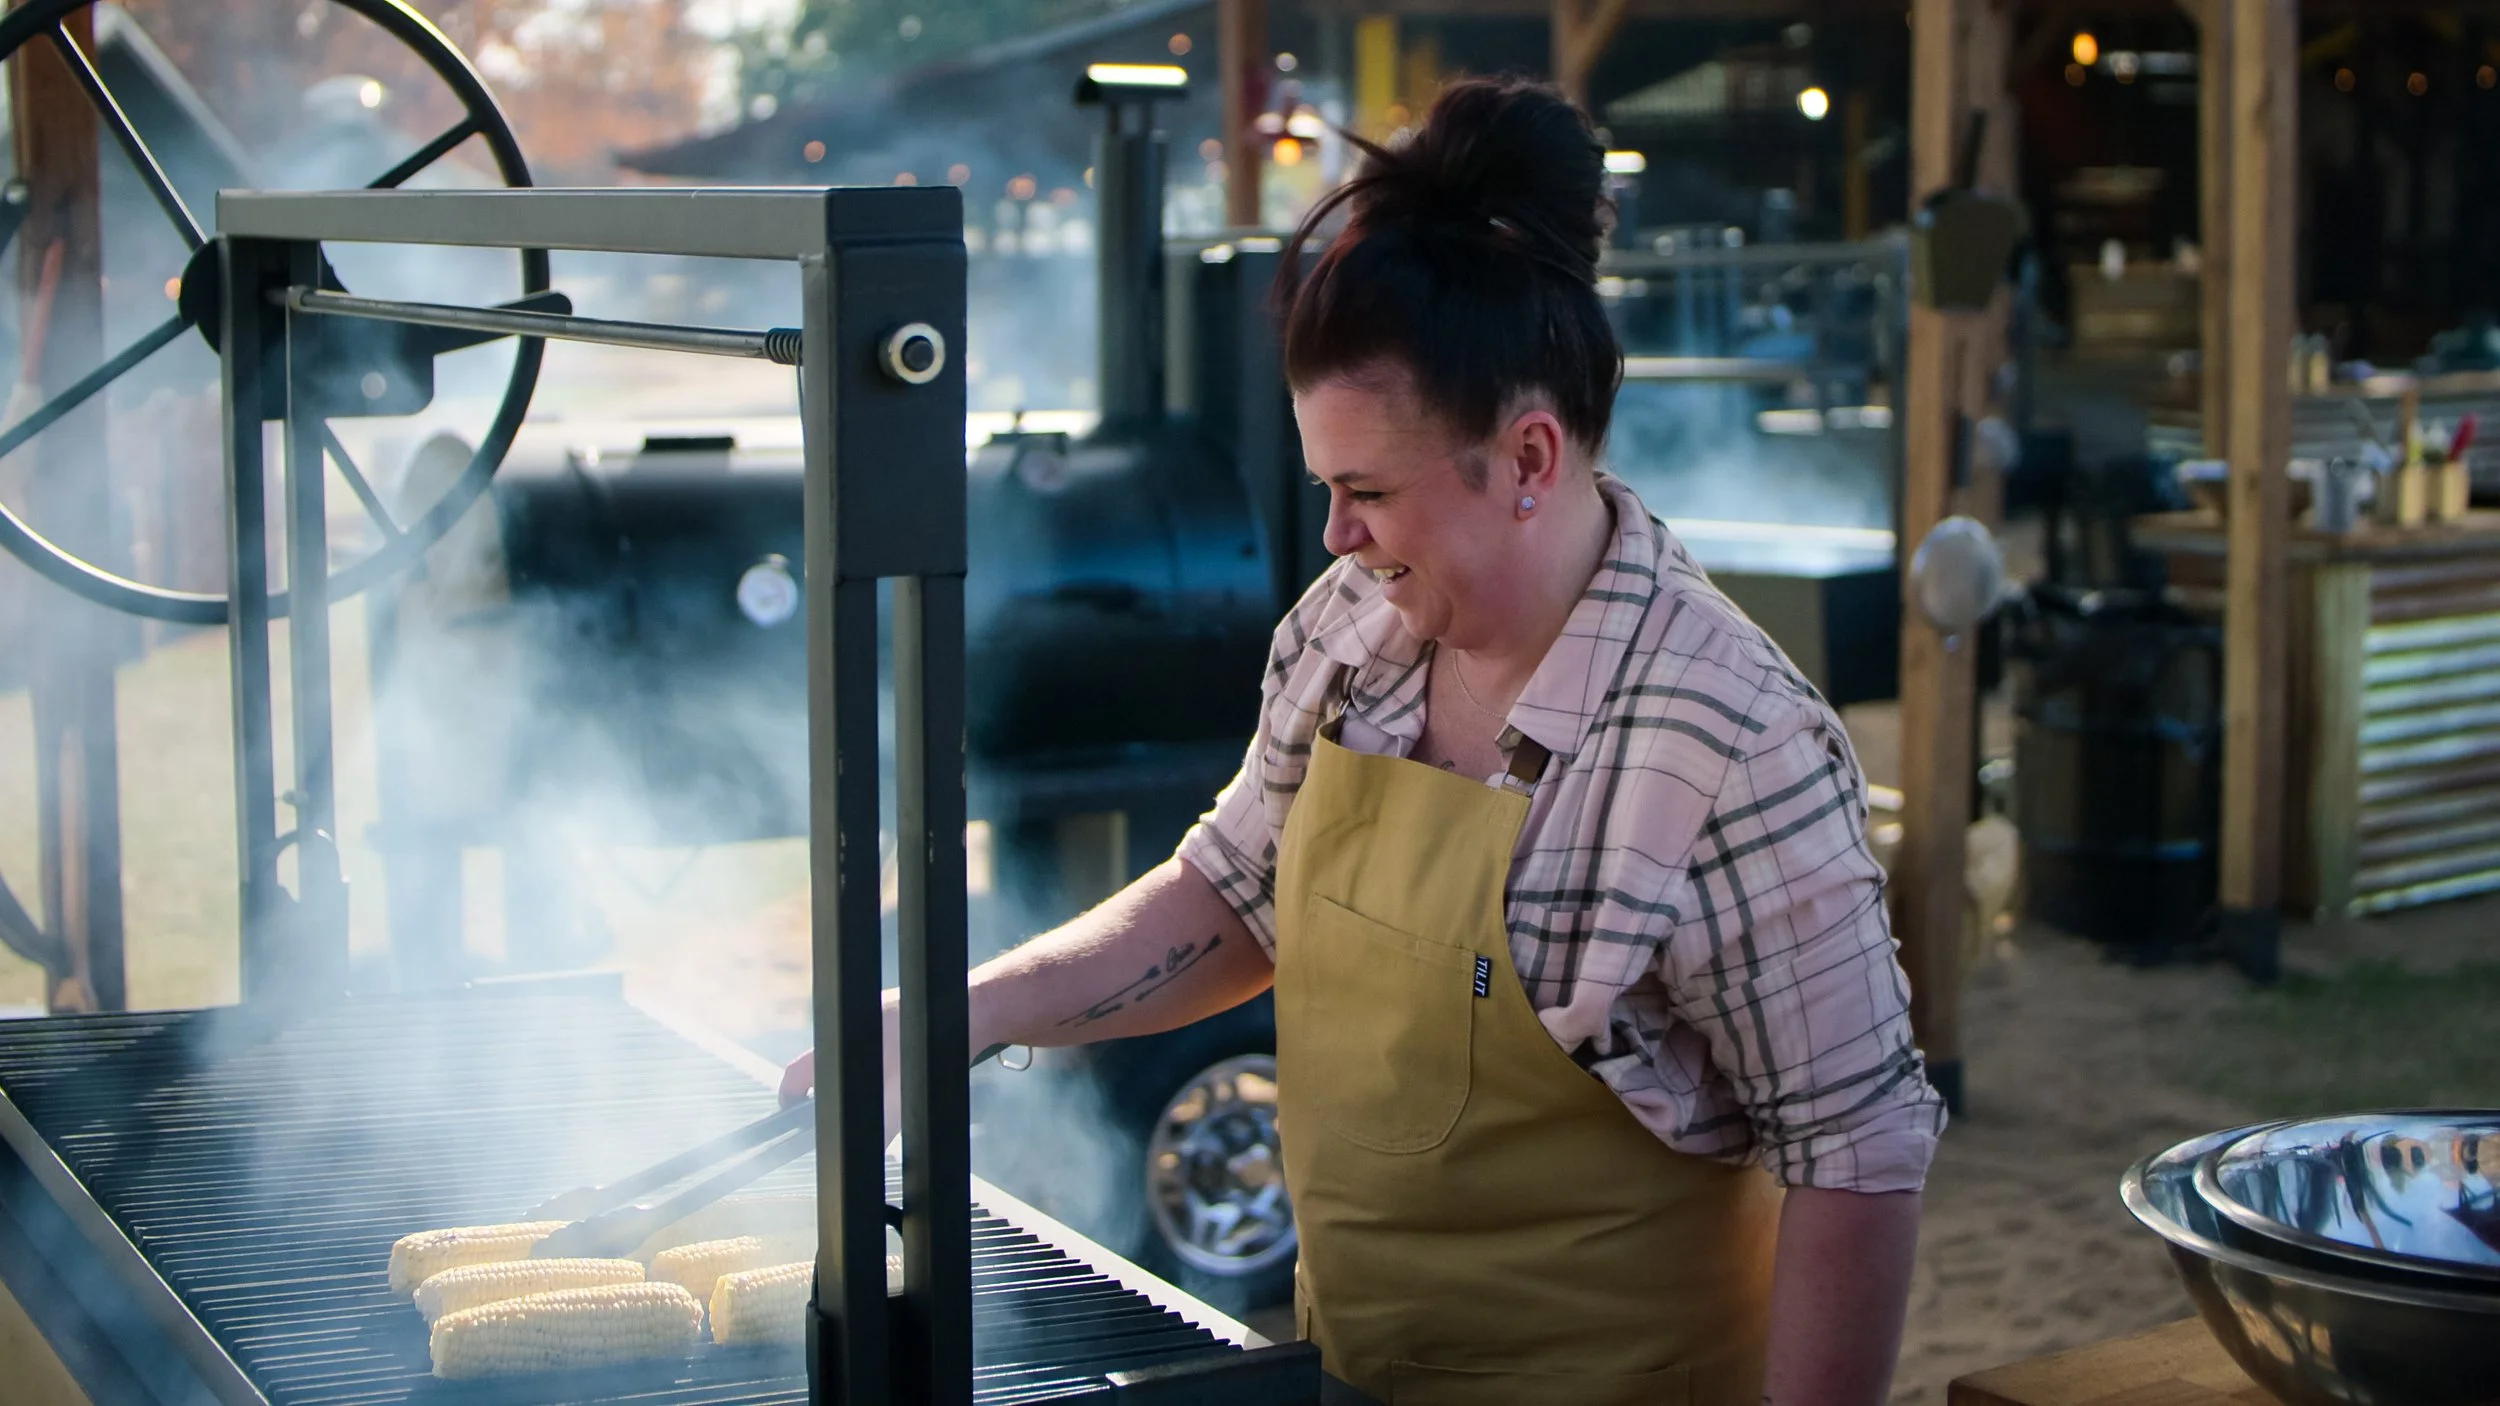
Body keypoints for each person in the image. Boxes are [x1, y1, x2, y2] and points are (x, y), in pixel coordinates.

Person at [784, 76, 1944, 1406]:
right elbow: (1232, 895)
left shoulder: (1725, 738)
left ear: (1526, 457)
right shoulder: (1351, 631)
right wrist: (942, 1021)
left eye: (1368, 493)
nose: (1337, 535)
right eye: (1326, 487)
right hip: (1354, 1368)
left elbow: (1855, 1146)